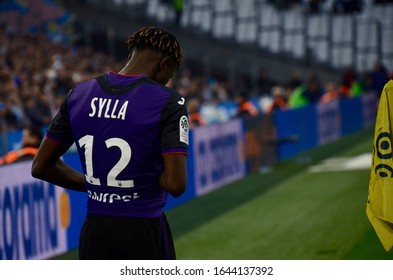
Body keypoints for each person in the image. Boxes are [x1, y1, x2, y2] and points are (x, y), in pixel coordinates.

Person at [31, 27, 189, 260]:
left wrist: (100, 187)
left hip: (95, 233)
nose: (168, 81)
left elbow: (41, 166)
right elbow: (175, 184)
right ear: (164, 64)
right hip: (144, 231)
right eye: (171, 74)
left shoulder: (78, 94)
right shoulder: (168, 101)